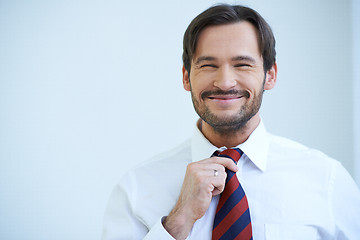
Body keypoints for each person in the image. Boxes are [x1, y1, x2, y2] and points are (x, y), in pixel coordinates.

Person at [102, 4, 360, 240]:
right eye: (208, 66)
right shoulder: (135, 190)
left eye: (243, 65)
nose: (225, 82)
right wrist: (178, 221)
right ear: (186, 77)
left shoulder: (328, 181)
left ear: (270, 75)